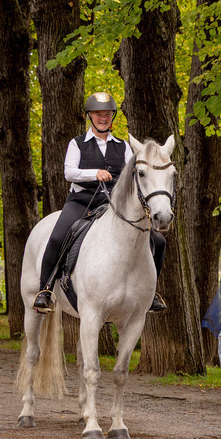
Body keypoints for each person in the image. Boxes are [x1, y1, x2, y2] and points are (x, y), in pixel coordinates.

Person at [33, 92, 166, 314]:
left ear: (112, 117)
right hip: (82, 200)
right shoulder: (77, 144)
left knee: (159, 242)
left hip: (113, 203)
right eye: (98, 114)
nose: (103, 118)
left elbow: (131, 176)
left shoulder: (123, 146)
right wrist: (95, 173)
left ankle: (151, 294)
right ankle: (45, 290)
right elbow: (69, 172)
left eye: (107, 114)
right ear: (90, 116)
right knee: (57, 237)